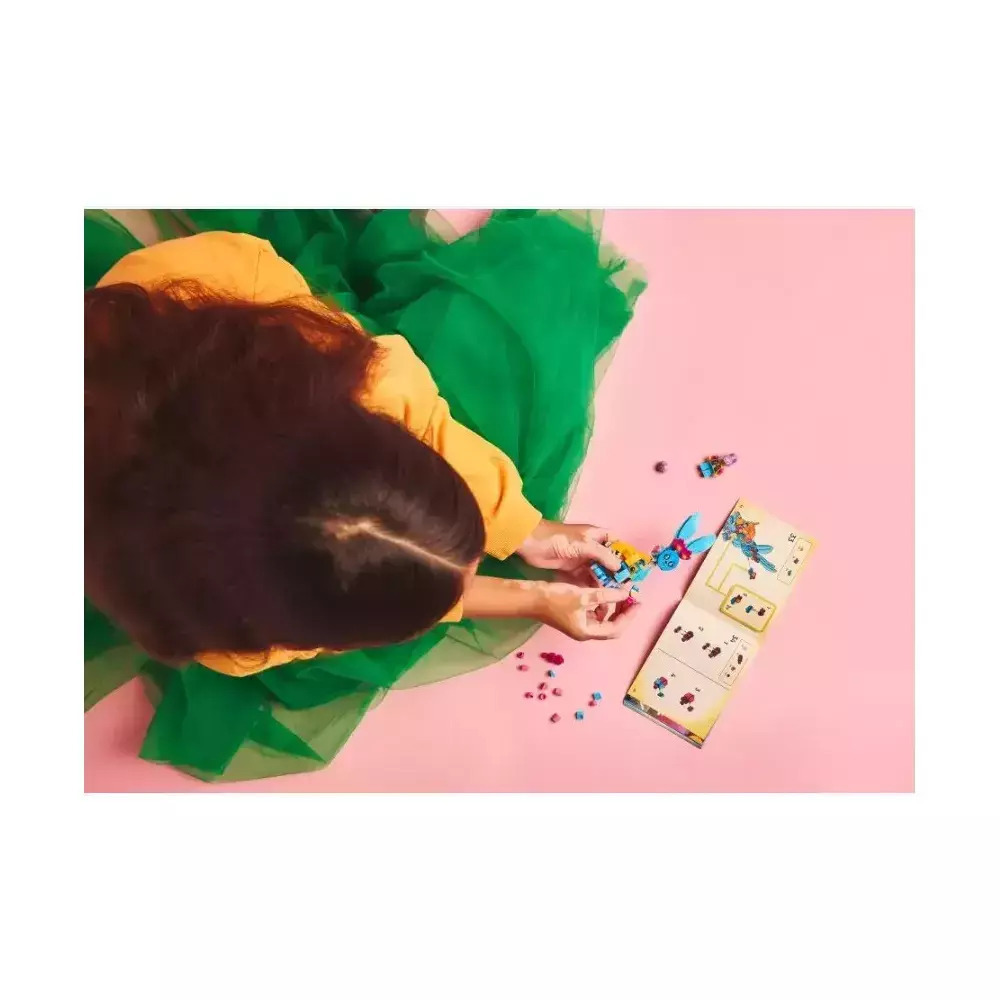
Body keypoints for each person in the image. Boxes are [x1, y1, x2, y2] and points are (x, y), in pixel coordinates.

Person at [84, 209, 647, 781]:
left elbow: (421, 421)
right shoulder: (231, 641)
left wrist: (525, 528)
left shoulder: (345, 360)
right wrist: (534, 599)